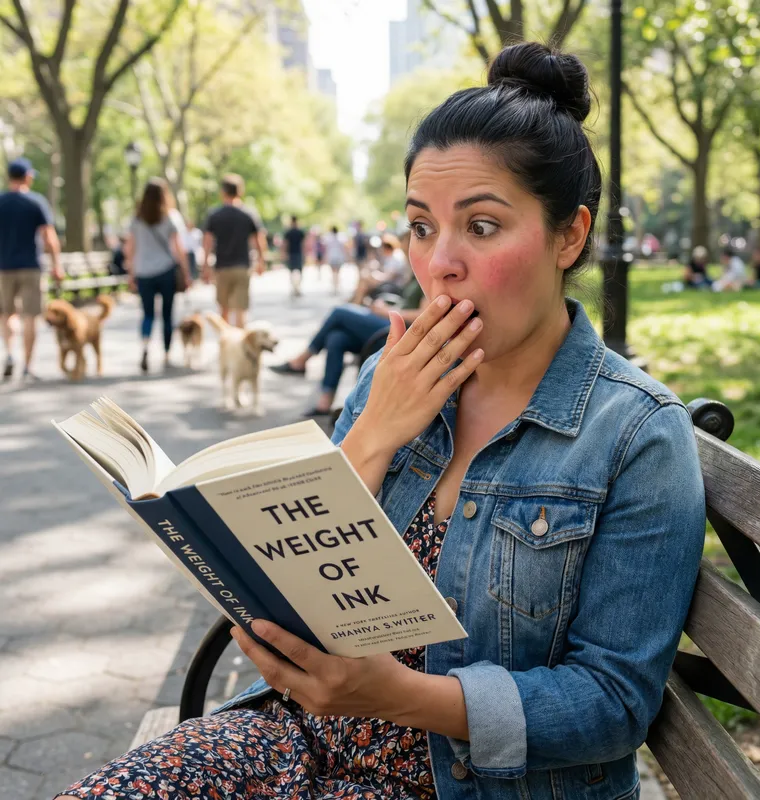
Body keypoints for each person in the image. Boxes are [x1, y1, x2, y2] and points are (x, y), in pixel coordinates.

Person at [55, 41, 707, 800]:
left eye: (483, 227)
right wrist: (372, 435)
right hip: (301, 735)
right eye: (421, 226)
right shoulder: (387, 378)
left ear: (570, 235)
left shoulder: (634, 435)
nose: (438, 264)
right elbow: (292, 576)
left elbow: (614, 703)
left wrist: (391, 697)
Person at [270, 278, 427, 415]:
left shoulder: (429, 272)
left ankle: (301, 360)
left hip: (400, 330)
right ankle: (325, 401)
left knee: (340, 312)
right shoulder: (412, 268)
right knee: (336, 338)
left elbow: (423, 315)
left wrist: (387, 311)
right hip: (388, 320)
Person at [0, 157, 63, 380]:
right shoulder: (36, 202)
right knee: (30, 316)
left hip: (4, 267)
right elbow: (50, 238)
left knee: (7, 314)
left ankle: (9, 354)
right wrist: (57, 266)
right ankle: (27, 366)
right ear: (27, 177)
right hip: (31, 267)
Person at [125, 178, 191, 372]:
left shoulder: (137, 218)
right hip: (166, 270)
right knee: (167, 314)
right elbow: (179, 248)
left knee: (147, 314)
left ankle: (145, 346)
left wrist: (131, 273)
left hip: (143, 272)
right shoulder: (171, 216)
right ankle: (167, 353)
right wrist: (186, 273)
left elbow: (130, 248)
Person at [202, 174, 266, 328]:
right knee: (240, 310)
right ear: (240, 191)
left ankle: (226, 345)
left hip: (222, 267)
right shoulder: (248, 213)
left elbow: (207, 243)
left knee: (224, 309)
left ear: (223, 192)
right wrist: (261, 261)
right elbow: (259, 240)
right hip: (242, 267)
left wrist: (205, 266)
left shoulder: (215, 215)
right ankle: (240, 346)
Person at [350, 233, 410, 305]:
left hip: (392, 286)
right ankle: (356, 301)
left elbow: (389, 276)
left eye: (383, 246)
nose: (381, 249)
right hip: (388, 283)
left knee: (365, 279)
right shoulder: (390, 257)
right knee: (364, 279)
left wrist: (373, 276)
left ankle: (356, 302)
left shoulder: (396, 258)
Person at [283, 215, 306, 297]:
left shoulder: (289, 232)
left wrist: (284, 253)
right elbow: (303, 244)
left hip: (292, 254)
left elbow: (285, 244)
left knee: (292, 272)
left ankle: (294, 288)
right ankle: (297, 288)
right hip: (298, 253)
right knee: (299, 272)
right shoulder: (300, 232)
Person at [323, 225, 347, 295]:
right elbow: (344, 248)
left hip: (332, 257)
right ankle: (336, 286)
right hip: (339, 257)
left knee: (333, 273)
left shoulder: (328, 238)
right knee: (338, 273)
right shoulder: (341, 238)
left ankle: (334, 287)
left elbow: (326, 248)